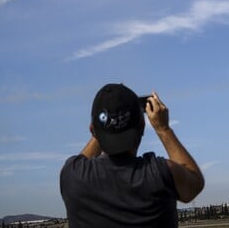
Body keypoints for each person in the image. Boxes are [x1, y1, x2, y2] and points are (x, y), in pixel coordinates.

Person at [60, 83, 205, 227]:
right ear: (142, 125)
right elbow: (195, 183)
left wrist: (104, 127)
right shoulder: (162, 174)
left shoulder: (73, 176)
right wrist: (163, 128)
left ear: (92, 130)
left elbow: (84, 155)